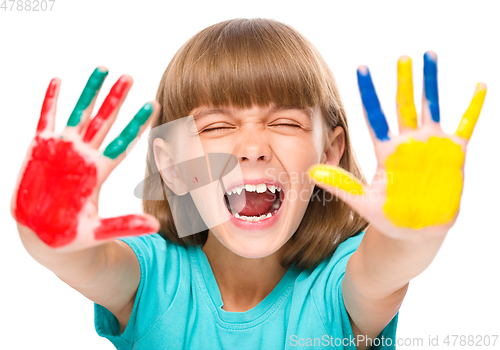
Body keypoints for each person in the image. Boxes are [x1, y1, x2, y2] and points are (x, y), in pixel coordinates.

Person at [11, 18, 486, 350]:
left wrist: (413, 230)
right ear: (172, 164)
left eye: (285, 123)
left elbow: (387, 268)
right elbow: (84, 262)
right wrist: (47, 231)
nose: (252, 147)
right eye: (216, 127)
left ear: (330, 153)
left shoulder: (337, 289)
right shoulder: (153, 278)